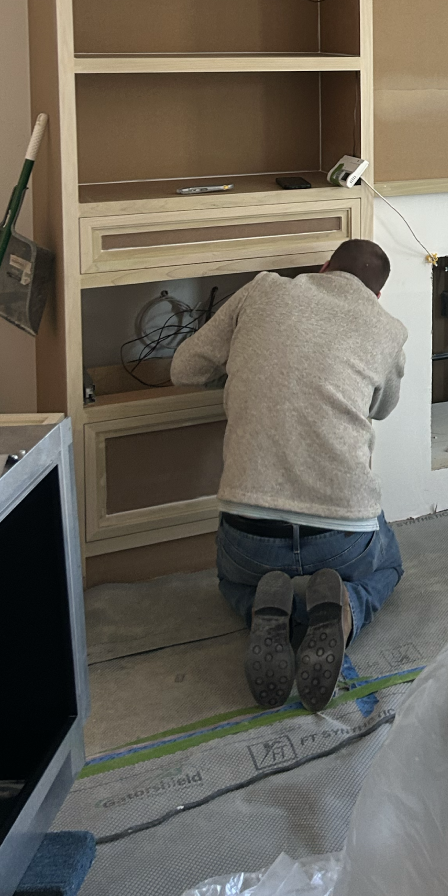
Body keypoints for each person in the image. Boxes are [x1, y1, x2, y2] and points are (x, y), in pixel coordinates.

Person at [170, 238, 408, 713]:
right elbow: (382, 408)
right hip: (341, 537)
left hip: (249, 537)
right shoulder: (388, 328)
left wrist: (239, 368)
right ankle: (346, 612)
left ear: (323, 268)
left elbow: (183, 368)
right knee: (390, 564)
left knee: (233, 583)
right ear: (377, 295)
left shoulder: (261, 290)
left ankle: (262, 605)